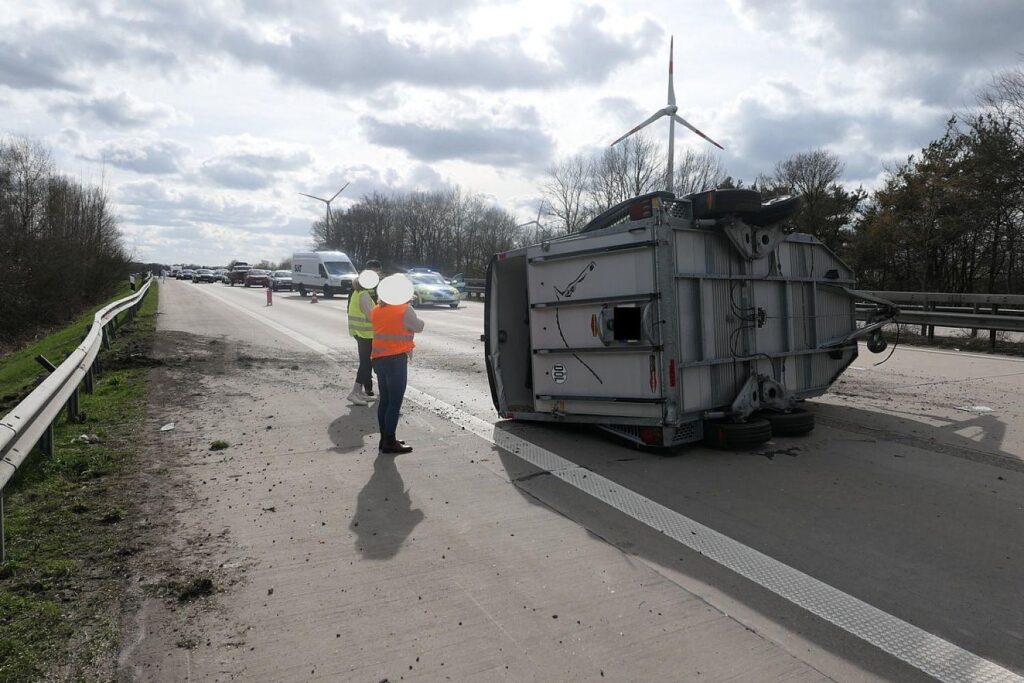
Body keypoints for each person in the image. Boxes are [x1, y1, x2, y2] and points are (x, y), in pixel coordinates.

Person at [370, 274, 424, 454]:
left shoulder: (377, 309)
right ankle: (390, 441)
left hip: (378, 358)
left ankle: (384, 438)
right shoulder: (405, 309)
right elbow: (419, 326)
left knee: (384, 400)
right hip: (396, 360)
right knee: (395, 402)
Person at [346, 260, 383, 406]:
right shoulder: (365, 295)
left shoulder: (358, 292)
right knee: (366, 364)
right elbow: (371, 316)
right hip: (365, 334)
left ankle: (360, 392)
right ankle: (355, 392)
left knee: (366, 363)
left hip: (360, 332)